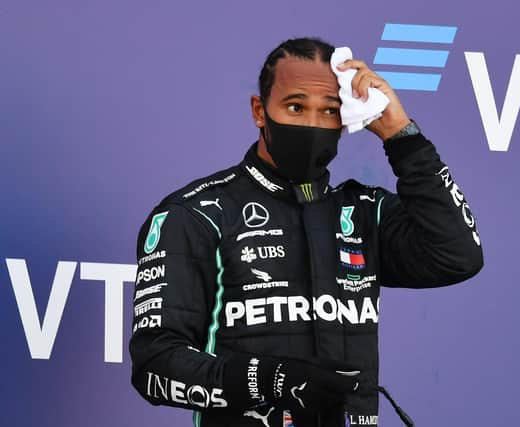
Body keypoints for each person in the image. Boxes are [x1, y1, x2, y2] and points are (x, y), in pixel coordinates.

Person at [129, 37, 484, 427]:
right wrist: (271, 381)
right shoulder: (197, 215)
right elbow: (154, 366)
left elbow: (457, 255)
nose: (312, 124)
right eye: (295, 107)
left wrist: (401, 135)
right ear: (259, 111)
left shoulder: (364, 214)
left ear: (346, 119)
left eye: (329, 111)